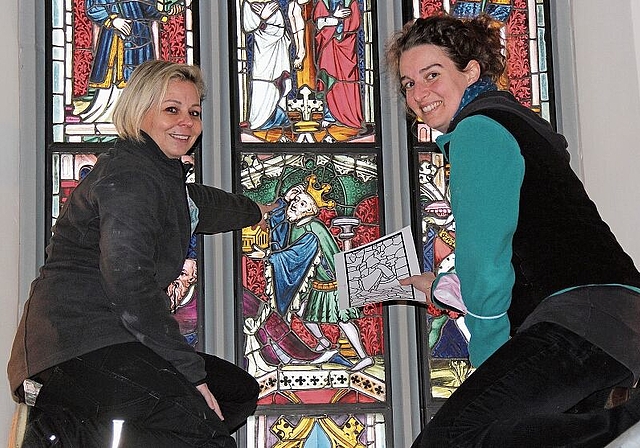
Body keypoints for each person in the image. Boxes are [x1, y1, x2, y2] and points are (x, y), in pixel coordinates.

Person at [387, 14, 640, 447]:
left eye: (432, 74)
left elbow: (487, 267)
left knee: (450, 441)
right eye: (408, 84)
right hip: (611, 320)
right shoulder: (510, 123)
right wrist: (445, 287)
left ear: (470, 71)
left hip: (581, 319)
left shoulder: (479, 131)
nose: (419, 93)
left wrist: (489, 357)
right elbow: (537, 240)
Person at [8, 60, 274, 447]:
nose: (187, 122)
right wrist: (190, 373)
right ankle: (62, 427)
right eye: (172, 109)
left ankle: (69, 428)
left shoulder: (157, 174)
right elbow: (130, 283)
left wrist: (254, 209)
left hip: (106, 344)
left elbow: (198, 203)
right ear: (140, 111)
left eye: (194, 112)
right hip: (75, 346)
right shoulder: (130, 175)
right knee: (205, 432)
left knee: (235, 392)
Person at [247, 178, 374, 371]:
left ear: (311, 211)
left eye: (302, 203)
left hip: (334, 283)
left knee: (344, 321)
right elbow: (278, 221)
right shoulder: (298, 225)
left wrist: (266, 255)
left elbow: (297, 253)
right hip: (318, 283)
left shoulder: (313, 229)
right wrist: (285, 198)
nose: (296, 205)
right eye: (296, 201)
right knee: (304, 314)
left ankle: (364, 357)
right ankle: (323, 342)